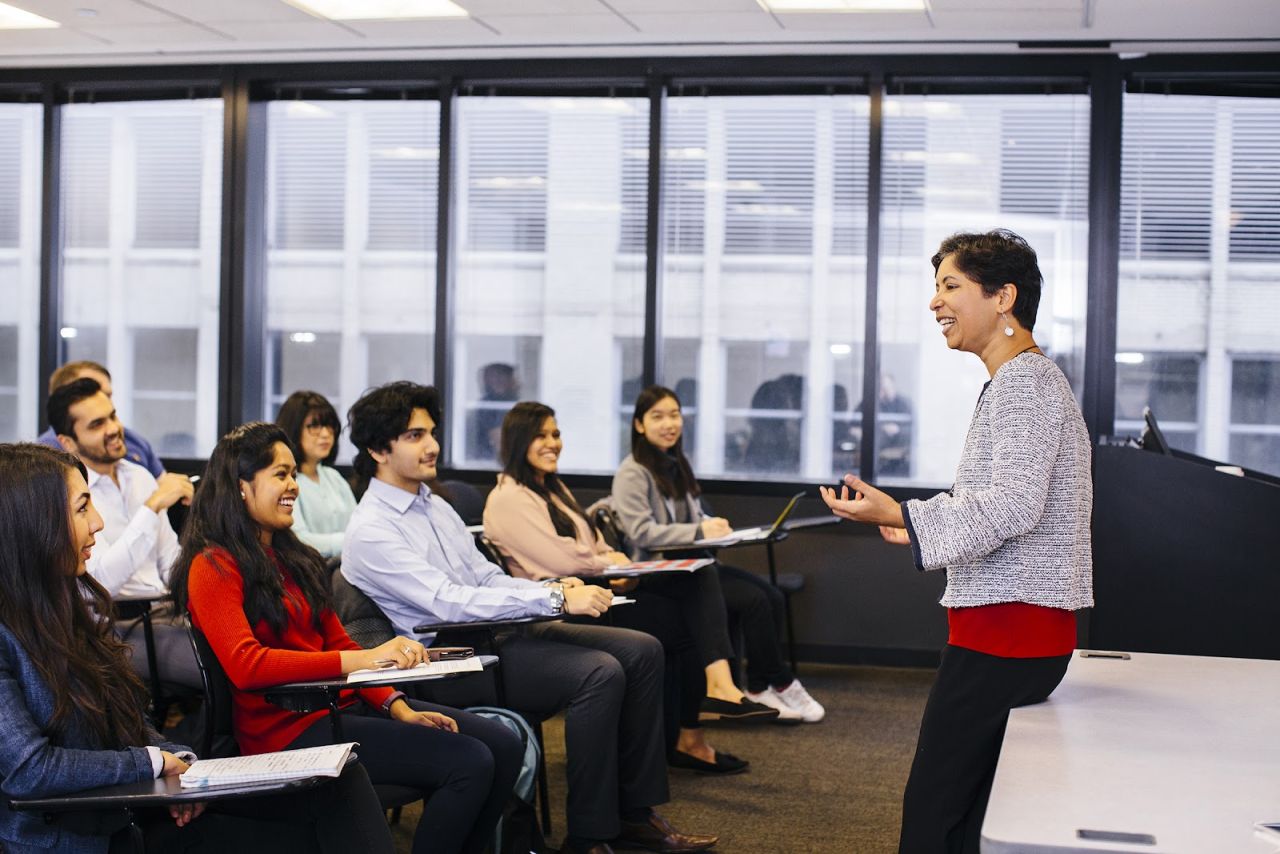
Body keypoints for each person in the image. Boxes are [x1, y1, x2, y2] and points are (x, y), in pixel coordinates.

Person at [341, 381, 719, 854]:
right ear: (378, 448)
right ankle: (590, 836)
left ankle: (633, 816)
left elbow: (483, 575)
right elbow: (448, 602)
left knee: (642, 649)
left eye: (432, 432)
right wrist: (554, 602)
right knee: (599, 673)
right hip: (449, 660)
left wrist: (551, 590)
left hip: (492, 637)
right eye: (415, 436)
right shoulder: (373, 529)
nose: (433, 445)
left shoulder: (433, 504)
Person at [819, 229, 1093, 854]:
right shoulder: (1026, 380)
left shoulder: (1024, 383)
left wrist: (909, 515)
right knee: (970, 812)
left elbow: (1013, 507)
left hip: (1006, 635)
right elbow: (1003, 502)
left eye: (950, 286)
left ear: (1003, 297)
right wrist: (913, 523)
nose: (935, 302)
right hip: (1017, 632)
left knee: (935, 813)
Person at [0, 443, 394, 854]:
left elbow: (130, 721)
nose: (97, 523)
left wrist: (179, 759)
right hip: (79, 838)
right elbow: (29, 769)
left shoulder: (65, 610)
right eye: (82, 508)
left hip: (133, 812)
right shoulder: (7, 633)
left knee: (339, 785)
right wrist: (152, 764)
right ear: (31, 522)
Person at [170, 422, 522, 854]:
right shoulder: (214, 565)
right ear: (241, 485)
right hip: (286, 730)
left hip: (337, 708)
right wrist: (366, 662)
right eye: (280, 474)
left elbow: (340, 641)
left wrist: (396, 704)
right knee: (470, 761)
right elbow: (248, 665)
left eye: (294, 474)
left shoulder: (291, 557)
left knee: (503, 744)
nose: (293, 486)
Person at [483, 401, 759, 775]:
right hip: (559, 607)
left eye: (556, 434)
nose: (553, 443)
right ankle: (698, 715)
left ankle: (691, 727)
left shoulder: (550, 487)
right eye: (541, 436)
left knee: (695, 593)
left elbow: (593, 541)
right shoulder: (508, 498)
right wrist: (611, 562)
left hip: (595, 590)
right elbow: (562, 559)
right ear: (518, 442)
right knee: (682, 620)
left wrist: (612, 558)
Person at [613, 385, 826, 724]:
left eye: (674, 415)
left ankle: (761, 686)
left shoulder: (675, 464)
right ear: (639, 425)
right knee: (745, 596)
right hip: (658, 573)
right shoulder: (631, 472)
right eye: (658, 417)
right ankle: (773, 683)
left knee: (769, 596)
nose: (669, 424)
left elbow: (693, 516)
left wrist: (713, 524)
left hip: (690, 564)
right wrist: (700, 531)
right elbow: (643, 533)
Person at [47, 377, 200, 690]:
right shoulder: (70, 494)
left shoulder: (139, 475)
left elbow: (171, 563)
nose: (114, 428)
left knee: (239, 642)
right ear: (68, 442)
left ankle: (189, 738)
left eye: (113, 416)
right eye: (97, 424)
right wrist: (152, 506)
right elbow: (101, 580)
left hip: (165, 613)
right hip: (115, 627)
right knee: (219, 666)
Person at [37, 360, 164, 477]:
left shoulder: (132, 438)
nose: (99, 401)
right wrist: (151, 502)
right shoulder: (45, 456)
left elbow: (165, 484)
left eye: (107, 395)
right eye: (88, 392)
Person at [275, 390, 356, 559]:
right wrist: (352, 542)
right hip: (307, 570)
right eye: (314, 426)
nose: (326, 434)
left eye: (330, 426)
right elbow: (298, 539)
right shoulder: (284, 481)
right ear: (294, 429)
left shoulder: (334, 477)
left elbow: (357, 527)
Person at [469, 362, 519, 463]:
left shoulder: (513, 401)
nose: (498, 380)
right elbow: (498, 440)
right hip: (488, 460)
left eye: (502, 375)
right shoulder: (487, 404)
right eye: (494, 376)